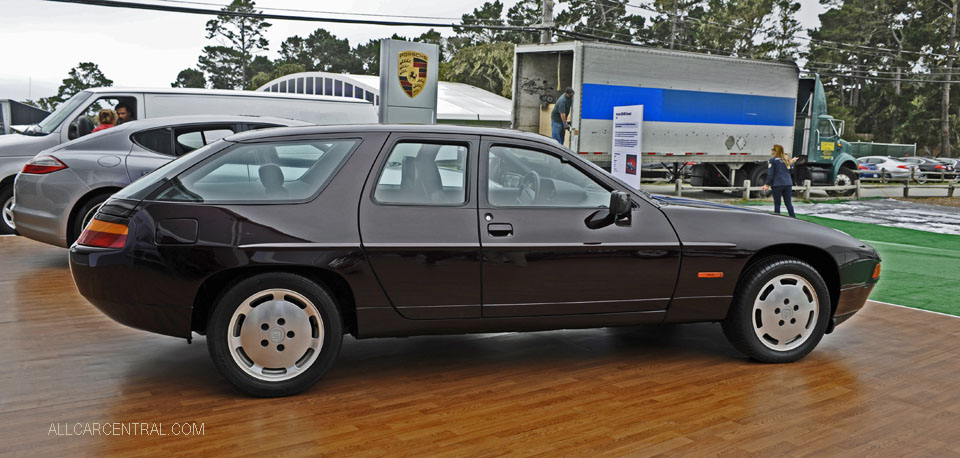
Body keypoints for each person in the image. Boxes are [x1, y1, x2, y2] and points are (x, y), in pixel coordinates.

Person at [761, 144, 799, 218]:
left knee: (777, 203)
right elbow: (791, 171)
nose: (771, 151)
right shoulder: (786, 160)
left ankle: (777, 218)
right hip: (788, 183)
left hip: (777, 184)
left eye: (773, 149)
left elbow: (770, 174)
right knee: (788, 203)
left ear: (776, 151)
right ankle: (793, 218)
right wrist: (792, 163)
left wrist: (767, 184)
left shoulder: (772, 161)